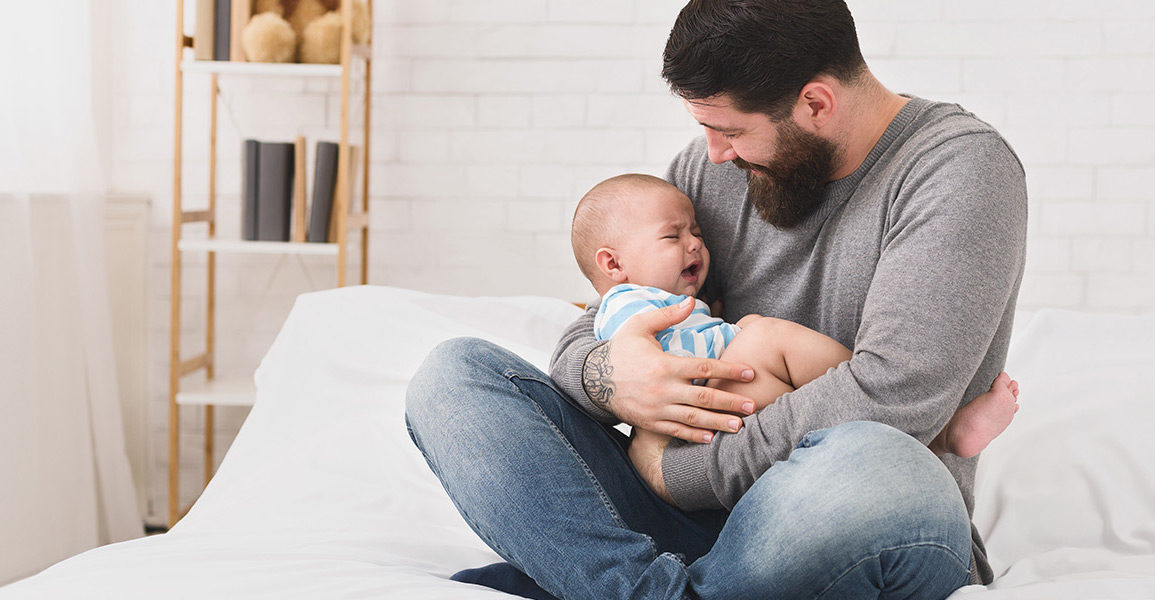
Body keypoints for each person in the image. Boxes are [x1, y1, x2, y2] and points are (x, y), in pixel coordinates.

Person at [404, 1, 1027, 598]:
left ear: (815, 102)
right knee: (453, 379)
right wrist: (613, 377)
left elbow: (892, 400)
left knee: (873, 459)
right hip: (704, 522)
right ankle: (648, 592)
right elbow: (608, 311)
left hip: (858, 515)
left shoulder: (958, 169)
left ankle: (588, 580)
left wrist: (668, 473)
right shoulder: (715, 171)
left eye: (729, 131)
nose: (714, 153)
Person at [575, 173, 1020, 460]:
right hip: (691, 426)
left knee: (754, 339)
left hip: (717, 421)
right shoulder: (627, 306)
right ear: (613, 266)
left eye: (697, 232)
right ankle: (930, 428)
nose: (694, 244)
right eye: (673, 236)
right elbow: (663, 367)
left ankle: (904, 416)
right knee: (761, 335)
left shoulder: (957, 168)